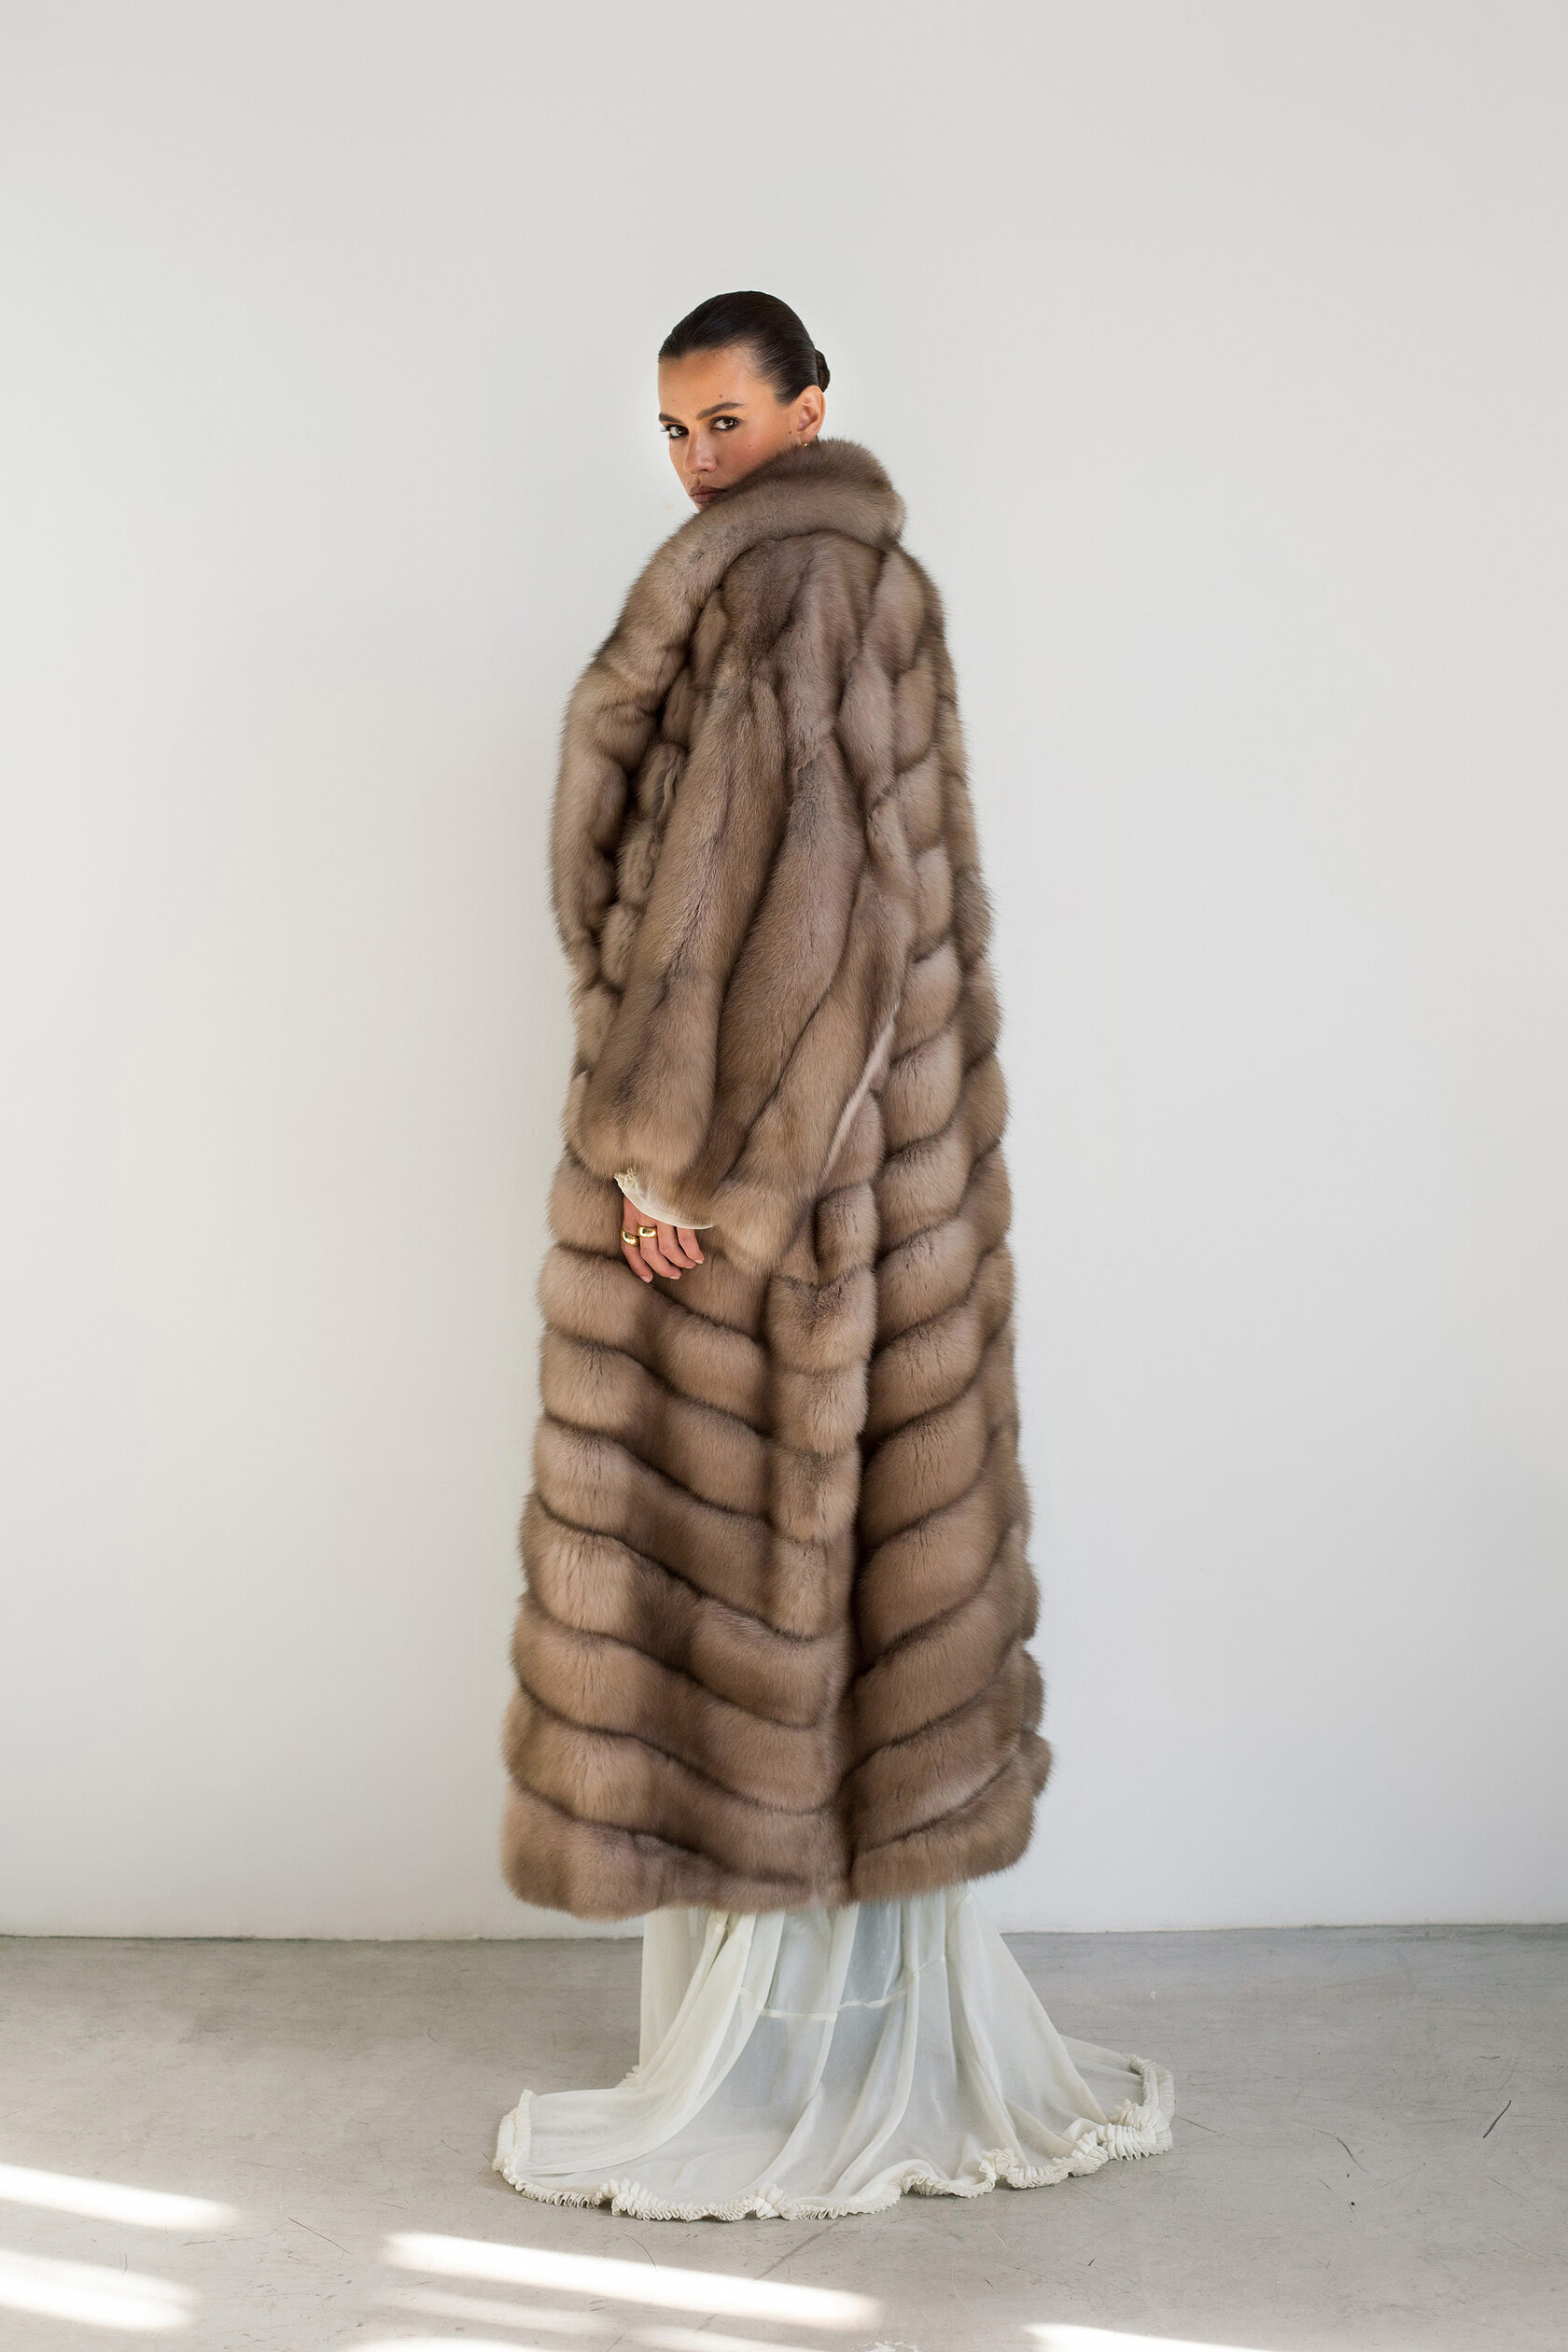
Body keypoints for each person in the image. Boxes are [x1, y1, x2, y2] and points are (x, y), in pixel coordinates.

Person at [493, 292, 1174, 2218]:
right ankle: (839, 2039)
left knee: (763, 1585)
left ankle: (788, 2066)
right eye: (674, 431)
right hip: (868, 1178)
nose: (699, 459)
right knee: (845, 1604)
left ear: (810, 406)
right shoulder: (854, 579)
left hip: (767, 1187)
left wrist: (678, 1164)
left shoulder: (788, 586)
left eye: (727, 419)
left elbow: (790, 917)